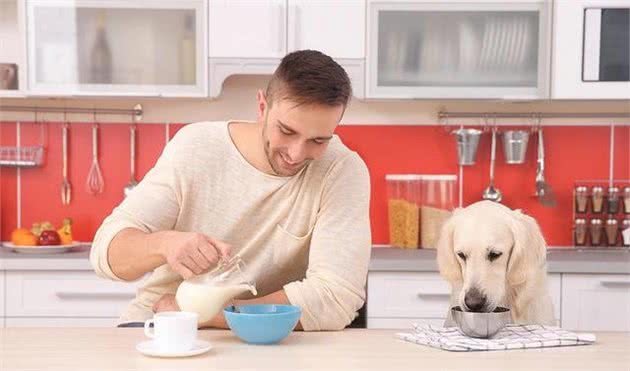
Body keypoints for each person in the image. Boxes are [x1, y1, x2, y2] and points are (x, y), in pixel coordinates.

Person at [90, 50, 372, 331]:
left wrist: (201, 314)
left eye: (318, 140)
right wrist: (165, 244)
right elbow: (106, 254)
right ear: (262, 107)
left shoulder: (342, 170)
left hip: (267, 336)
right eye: (286, 131)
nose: (297, 154)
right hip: (159, 326)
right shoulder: (196, 147)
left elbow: (336, 297)